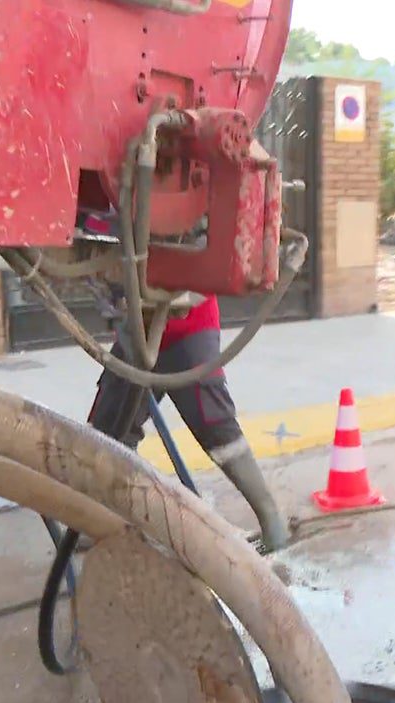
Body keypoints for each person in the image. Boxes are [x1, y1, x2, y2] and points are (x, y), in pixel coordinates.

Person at [82, 212, 291, 551]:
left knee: (215, 425)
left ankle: (272, 523)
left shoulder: (189, 201)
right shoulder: (118, 200)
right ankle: (104, 521)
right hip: (138, 330)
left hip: (188, 329)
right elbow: (93, 231)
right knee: (108, 424)